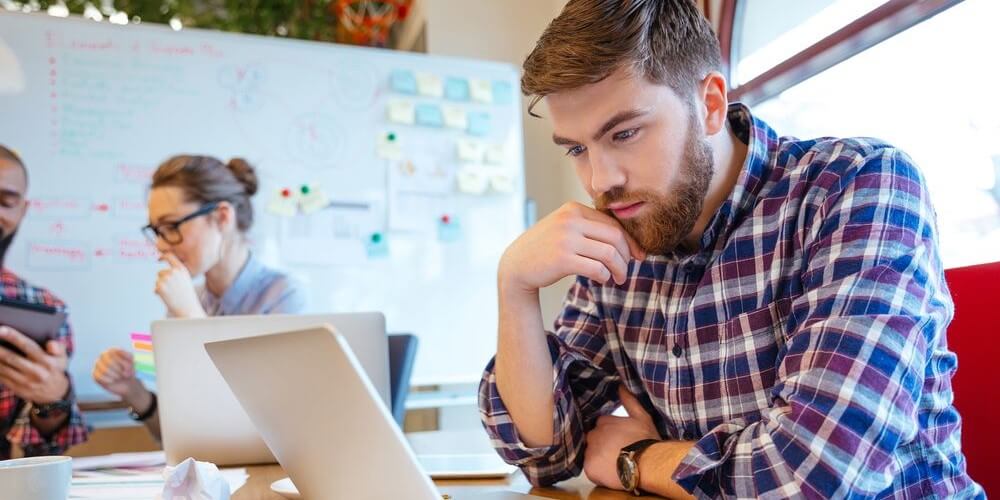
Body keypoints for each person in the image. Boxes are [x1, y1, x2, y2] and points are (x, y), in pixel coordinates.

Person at [478, 1, 983, 498]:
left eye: (625, 133)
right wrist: (515, 287)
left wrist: (639, 460)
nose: (600, 180)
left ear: (711, 105)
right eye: (577, 149)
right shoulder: (625, 226)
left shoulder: (855, 186)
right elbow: (548, 453)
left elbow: (813, 478)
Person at [93, 154, 307, 441]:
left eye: (171, 227)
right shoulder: (189, 300)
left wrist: (191, 317)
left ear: (222, 217)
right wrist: (133, 391)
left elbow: (264, 431)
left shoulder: (284, 296)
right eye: (156, 231)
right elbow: (180, 435)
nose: (160, 246)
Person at [0, 145, 88, 458]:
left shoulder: (41, 308)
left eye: (6, 201)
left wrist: (52, 398)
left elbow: (45, 449)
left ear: (22, 210)